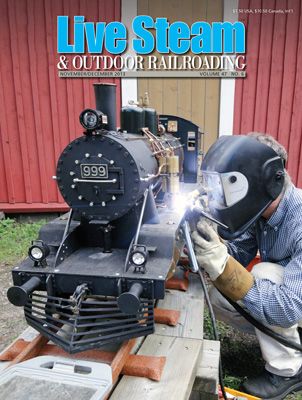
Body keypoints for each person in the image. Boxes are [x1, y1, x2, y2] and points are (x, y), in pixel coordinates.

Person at [191, 133, 302, 399]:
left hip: (294, 300)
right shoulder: (261, 209)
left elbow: (288, 306)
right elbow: (238, 253)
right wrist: (212, 244)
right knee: (221, 295)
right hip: (292, 295)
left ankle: (287, 370)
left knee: (264, 275)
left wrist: (222, 263)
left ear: (261, 179)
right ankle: (284, 341)